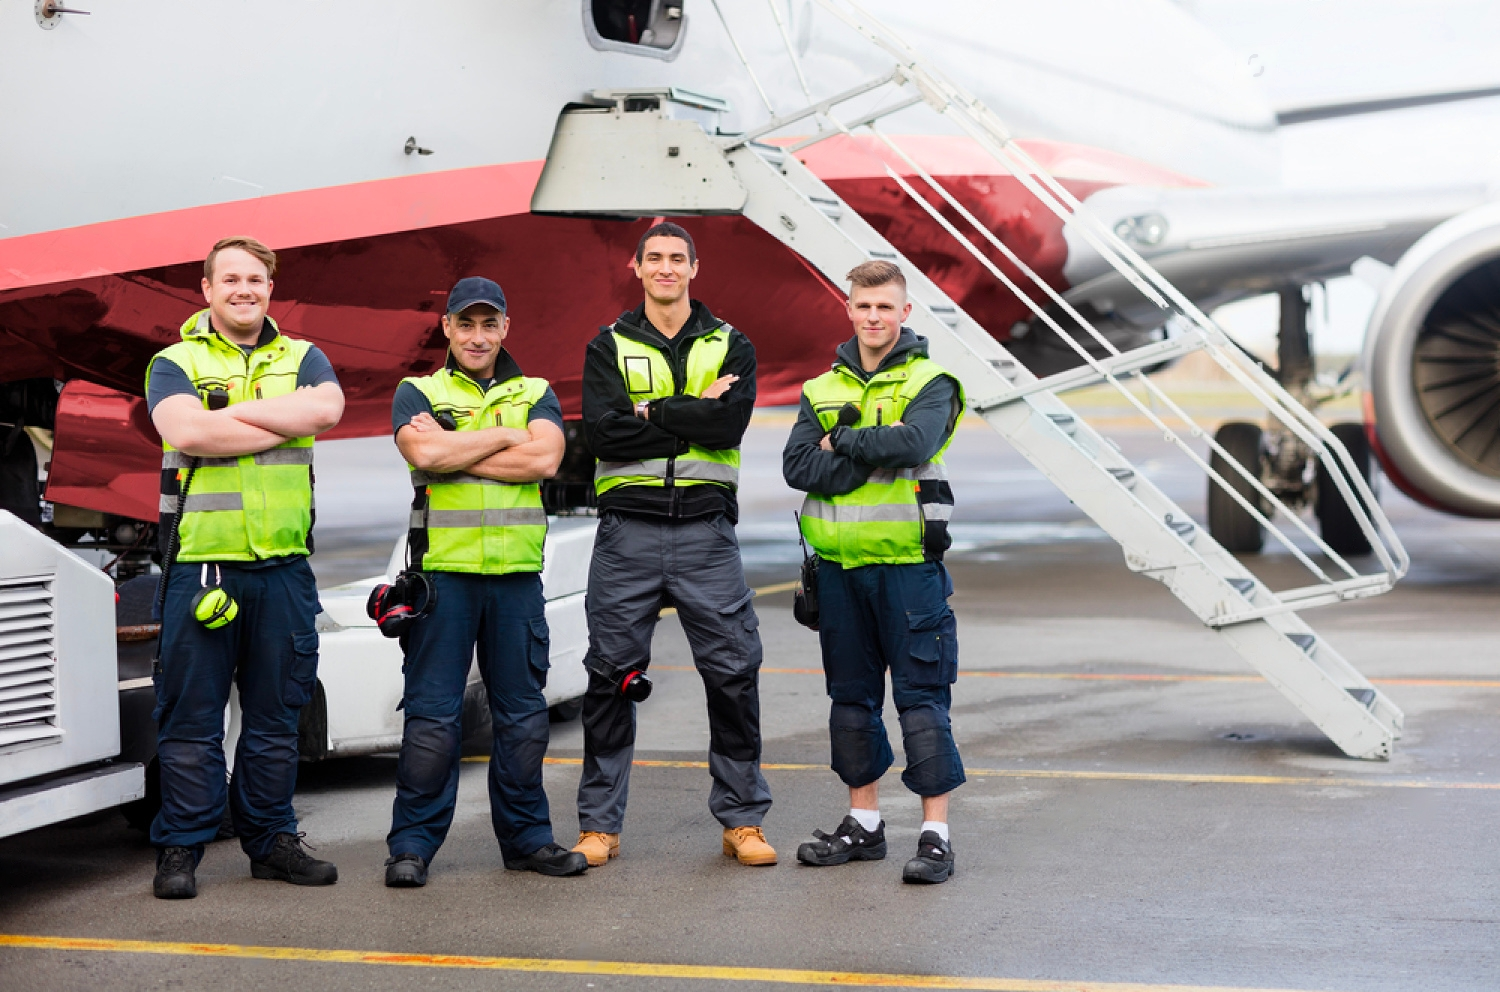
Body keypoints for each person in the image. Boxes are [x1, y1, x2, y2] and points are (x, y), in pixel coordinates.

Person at [146, 236, 346, 899]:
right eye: (229, 278)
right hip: (203, 565)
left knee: (276, 719)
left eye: (255, 278)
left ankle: (271, 842)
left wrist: (226, 417)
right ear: (205, 289)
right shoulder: (173, 361)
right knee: (191, 721)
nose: (243, 289)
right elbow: (189, 434)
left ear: (270, 288)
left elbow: (327, 410)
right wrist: (279, 422)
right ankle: (181, 847)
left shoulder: (304, 356)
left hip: (284, 571)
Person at [573, 222, 774, 867]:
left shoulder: (732, 344)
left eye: (676, 259)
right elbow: (603, 438)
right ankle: (599, 825)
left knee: (734, 673)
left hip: (705, 534)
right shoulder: (606, 346)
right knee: (610, 676)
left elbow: (729, 423)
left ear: (695, 268)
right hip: (625, 531)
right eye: (654, 258)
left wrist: (647, 412)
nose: (665, 268)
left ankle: (742, 821)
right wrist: (688, 411)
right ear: (636, 267)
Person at [383, 277, 587, 886]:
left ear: (505, 328)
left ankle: (527, 841)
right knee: (431, 723)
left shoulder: (537, 390)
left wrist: (453, 442)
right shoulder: (415, 389)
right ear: (446, 327)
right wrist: (504, 433)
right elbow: (425, 458)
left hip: (516, 580)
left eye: (488, 324)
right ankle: (411, 846)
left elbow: (544, 460)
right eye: (465, 324)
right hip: (443, 578)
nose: (477, 336)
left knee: (523, 719)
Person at [781, 260, 967, 884]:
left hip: (909, 571)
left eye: (885, 307)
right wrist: (864, 449)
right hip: (838, 572)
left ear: (904, 312)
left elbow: (915, 445)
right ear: (849, 309)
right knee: (851, 702)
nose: (874, 317)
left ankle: (936, 836)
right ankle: (863, 825)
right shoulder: (819, 390)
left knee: (921, 701)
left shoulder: (933, 380)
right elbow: (799, 468)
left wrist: (845, 444)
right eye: (864, 306)